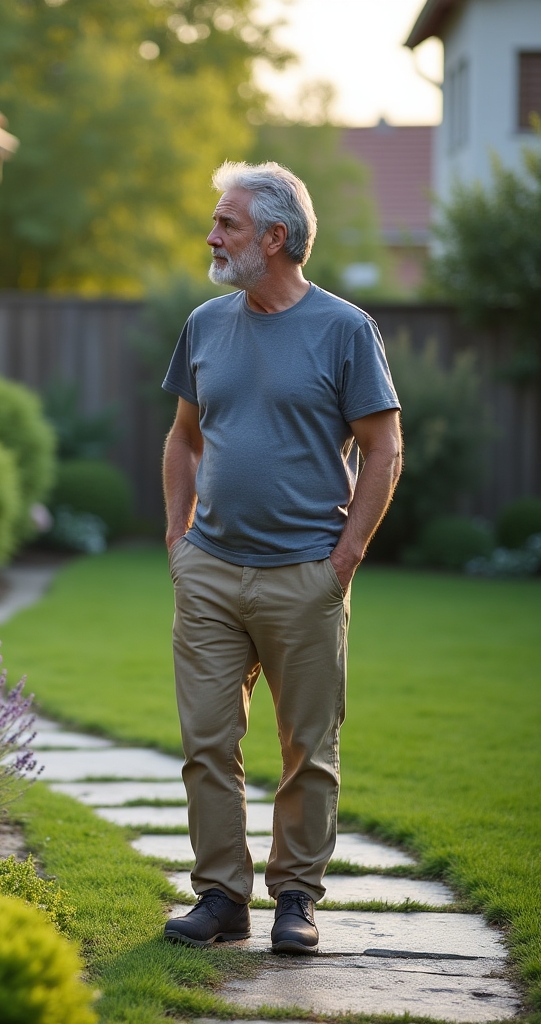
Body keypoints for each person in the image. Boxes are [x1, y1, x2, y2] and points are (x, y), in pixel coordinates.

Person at [160, 161, 402, 954]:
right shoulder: (205, 323)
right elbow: (183, 437)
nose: (211, 236)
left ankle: (296, 898)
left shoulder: (344, 328)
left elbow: (383, 447)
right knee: (206, 743)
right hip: (210, 571)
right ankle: (221, 897)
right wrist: (178, 540)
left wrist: (345, 558)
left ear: (274, 237)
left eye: (226, 223)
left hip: (305, 574)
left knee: (308, 750)